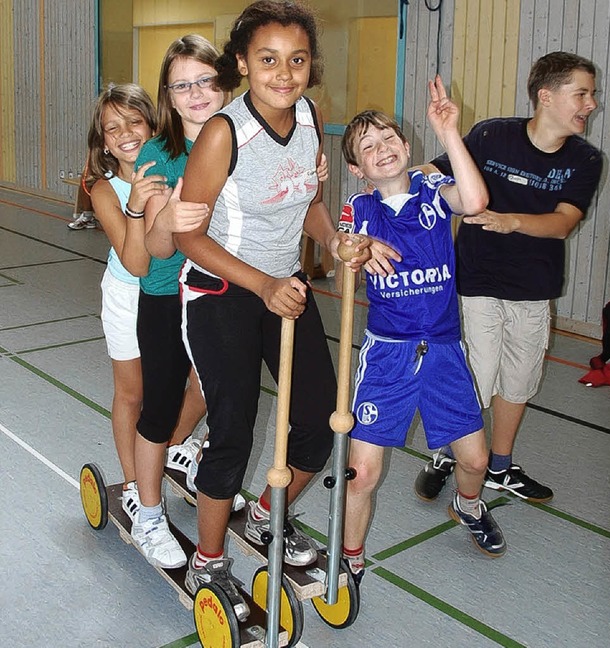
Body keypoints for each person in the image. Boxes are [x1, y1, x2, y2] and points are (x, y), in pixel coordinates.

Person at [174, 0, 366, 620]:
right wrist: (262, 283)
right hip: (221, 290)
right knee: (234, 427)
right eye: (268, 60)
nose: (284, 74)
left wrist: (331, 239)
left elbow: (305, 200)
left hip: (282, 287)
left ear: (310, 66)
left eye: (297, 60)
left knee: (319, 419)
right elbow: (189, 238)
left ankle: (262, 516)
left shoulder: (310, 116)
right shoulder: (223, 133)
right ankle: (209, 560)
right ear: (241, 64)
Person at [338, 80, 507, 584]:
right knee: (362, 472)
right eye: (367, 148)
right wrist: (357, 249)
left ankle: (467, 505)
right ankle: (349, 558)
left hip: (444, 353)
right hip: (388, 356)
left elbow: (475, 201)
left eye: (387, 138)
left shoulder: (433, 193)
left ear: (407, 146)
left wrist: (450, 132)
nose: (381, 149)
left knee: (476, 461)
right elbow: (341, 251)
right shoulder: (358, 211)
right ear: (357, 169)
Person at [415, 51, 603, 504]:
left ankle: (499, 466)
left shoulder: (585, 159)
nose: (591, 104)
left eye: (591, 95)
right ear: (546, 96)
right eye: (582, 93)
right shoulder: (492, 135)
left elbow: (562, 223)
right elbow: (437, 170)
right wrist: (390, 177)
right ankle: (450, 454)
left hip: (534, 289)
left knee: (518, 381)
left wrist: (509, 221)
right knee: (477, 375)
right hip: (477, 281)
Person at [85, 83, 208, 523]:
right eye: (112, 128)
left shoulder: (177, 163)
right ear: (103, 141)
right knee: (134, 393)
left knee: (203, 383)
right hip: (128, 296)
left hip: (183, 291)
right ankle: (136, 484)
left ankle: (171, 448)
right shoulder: (104, 189)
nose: (126, 134)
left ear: (153, 125)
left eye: (135, 121)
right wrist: (136, 205)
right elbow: (136, 263)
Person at [127, 34, 222, 570]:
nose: (195, 93)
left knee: (214, 388)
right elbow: (159, 245)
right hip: (166, 294)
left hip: (220, 295)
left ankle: (179, 450)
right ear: (168, 94)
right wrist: (166, 210)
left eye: (205, 80)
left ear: (223, 83)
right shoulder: (160, 152)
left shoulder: (238, 139)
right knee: (159, 406)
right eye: (182, 84)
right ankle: (149, 510)